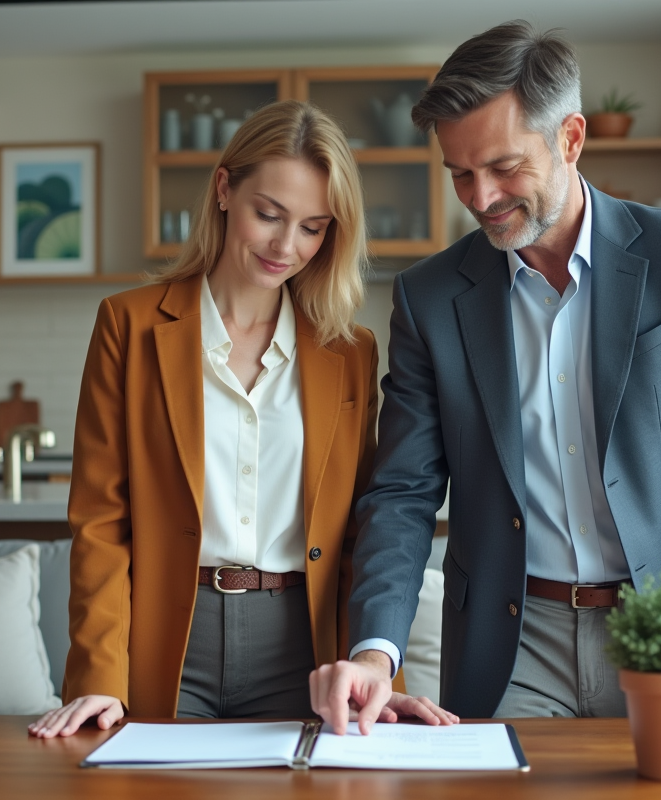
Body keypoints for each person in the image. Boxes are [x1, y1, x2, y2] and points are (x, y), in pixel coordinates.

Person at [310, 22, 661, 735]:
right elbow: (403, 492)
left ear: (569, 139)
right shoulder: (429, 299)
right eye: (460, 173)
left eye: (503, 166)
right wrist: (376, 653)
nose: (481, 195)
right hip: (510, 645)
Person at [30, 100, 455, 737]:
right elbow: (100, 519)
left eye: (313, 227)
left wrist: (379, 676)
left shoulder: (350, 352)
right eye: (269, 215)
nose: (288, 246)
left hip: (304, 646)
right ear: (225, 189)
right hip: (168, 639)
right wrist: (98, 678)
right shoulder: (130, 324)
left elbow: (364, 531)